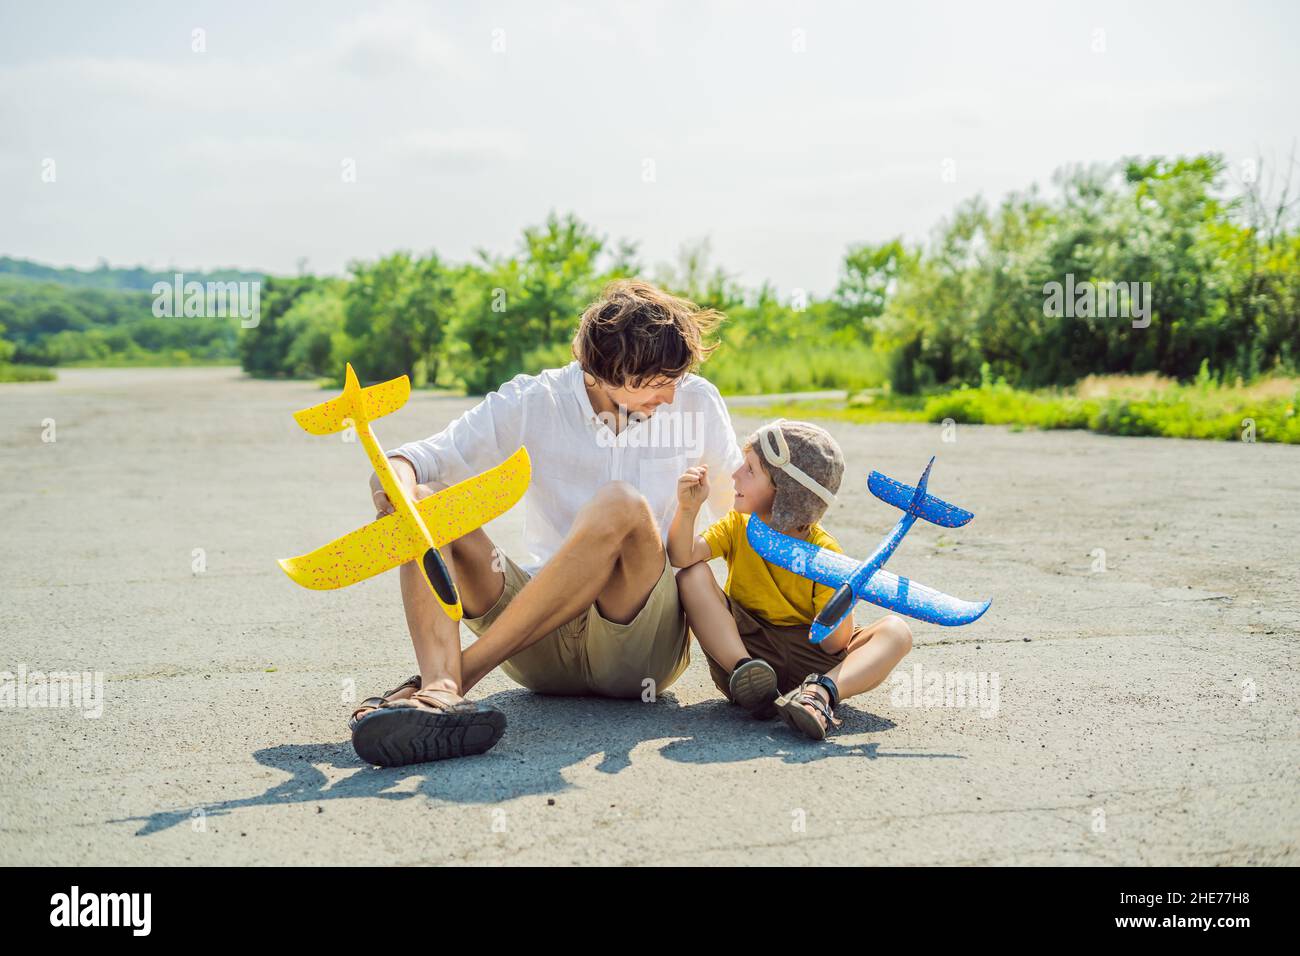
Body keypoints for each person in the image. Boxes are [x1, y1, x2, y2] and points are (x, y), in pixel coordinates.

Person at [348, 279, 743, 767]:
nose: (669, 396)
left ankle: (446, 684)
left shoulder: (696, 402)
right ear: (606, 369)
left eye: (676, 380)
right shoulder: (537, 399)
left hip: (636, 646)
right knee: (430, 505)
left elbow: (741, 511)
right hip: (539, 649)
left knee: (620, 503)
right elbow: (421, 458)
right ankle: (439, 692)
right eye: (658, 381)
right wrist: (396, 485)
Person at [667, 419, 913, 740]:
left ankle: (820, 694)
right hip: (748, 649)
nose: (735, 475)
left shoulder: (824, 551)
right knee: (692, 574)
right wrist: (687, 509)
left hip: (811, 658)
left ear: (786, 491)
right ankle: (745, 673)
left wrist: (845, 593)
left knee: (898, 632)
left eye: (751, 470)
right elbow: (682, 556)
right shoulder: (737, 526)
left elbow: (834, 643)